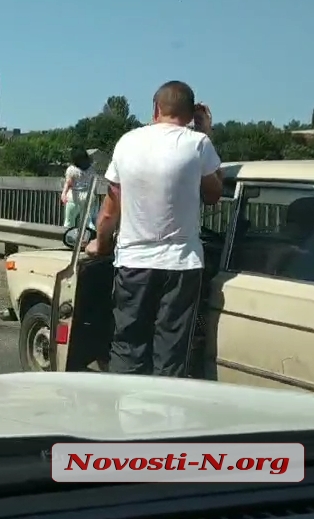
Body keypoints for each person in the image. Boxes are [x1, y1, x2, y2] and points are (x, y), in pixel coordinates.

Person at [86, 80, 224, 378]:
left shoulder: (127, 142)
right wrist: (205, 131)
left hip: (134, 262)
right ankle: (165, 417)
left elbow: (110, 210)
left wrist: (100, 244)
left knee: (128, 345)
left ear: (156, 108)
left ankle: (125, 413)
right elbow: (214, 194)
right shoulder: (198, 144)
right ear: (191, 114)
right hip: (181, 265)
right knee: (171, 353)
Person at [61, 148, 96, 228]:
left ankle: (69, 237)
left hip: (74, 197)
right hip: (88, 196)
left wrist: (63, 194)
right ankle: (92, 236)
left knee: (69, 221)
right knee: (88, 221)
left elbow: (68, 183)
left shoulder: (72, 169)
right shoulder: (91, 169)